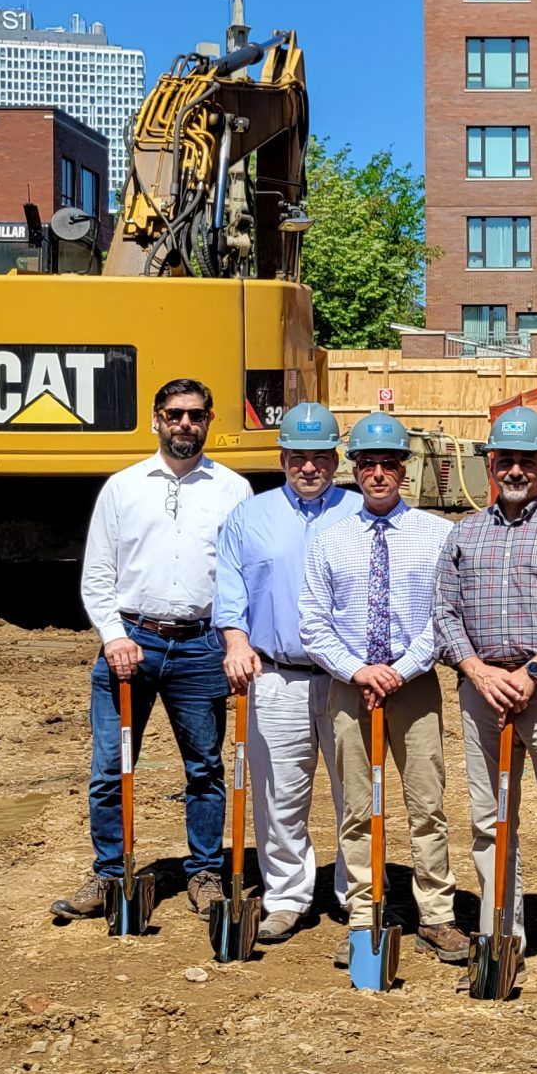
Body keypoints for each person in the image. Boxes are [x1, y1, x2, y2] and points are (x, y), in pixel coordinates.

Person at [55, 376, 253, 924]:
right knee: (110, 768)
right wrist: (113, 636)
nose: (184, 423)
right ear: (156, 419)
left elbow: (241, 575)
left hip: (200, 645)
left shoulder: (233, 490)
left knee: (206, 768)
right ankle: (110, 873)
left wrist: (237, 640)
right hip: (132, 643)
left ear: (210, 420)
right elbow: (98, 573)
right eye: (174, 414)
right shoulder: (123, 487)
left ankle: (207, 872)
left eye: (195, 414)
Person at [433, 406, 537, 985]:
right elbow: (444, 612)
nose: (514, 470)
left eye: (526, 460)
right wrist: (477, 671)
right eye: (505, 460)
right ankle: (501, 933)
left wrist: (532, 670)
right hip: (482, 692)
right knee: (489, 819)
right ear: (490, 464)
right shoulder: (464, 534)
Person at [297, 413, 462, 965]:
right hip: (351, 688)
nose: (378, 474)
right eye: (368, 464)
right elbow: (314, 623)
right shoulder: (330, 541)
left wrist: (401, 670)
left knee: (427, 804)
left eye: (389, 463)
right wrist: (358, 671)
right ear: (355, 470)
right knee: (356, 809)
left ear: (404, 470)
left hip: (413, 686)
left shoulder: (438, 534)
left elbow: (443, 616)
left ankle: (436, 915)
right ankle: (366, 918)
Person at [213, 400, 366, 945]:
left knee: (357, 792)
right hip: (275, 674)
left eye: (320, 456)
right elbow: (229, 589)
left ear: (335, 458)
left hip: (348, 676)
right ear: (281, 458)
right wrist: (234, 640)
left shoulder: (358, 511)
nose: (309, 467)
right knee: (280, 793)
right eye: (298, 457)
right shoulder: (249, 517)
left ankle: (359, 895)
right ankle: (285, 896)